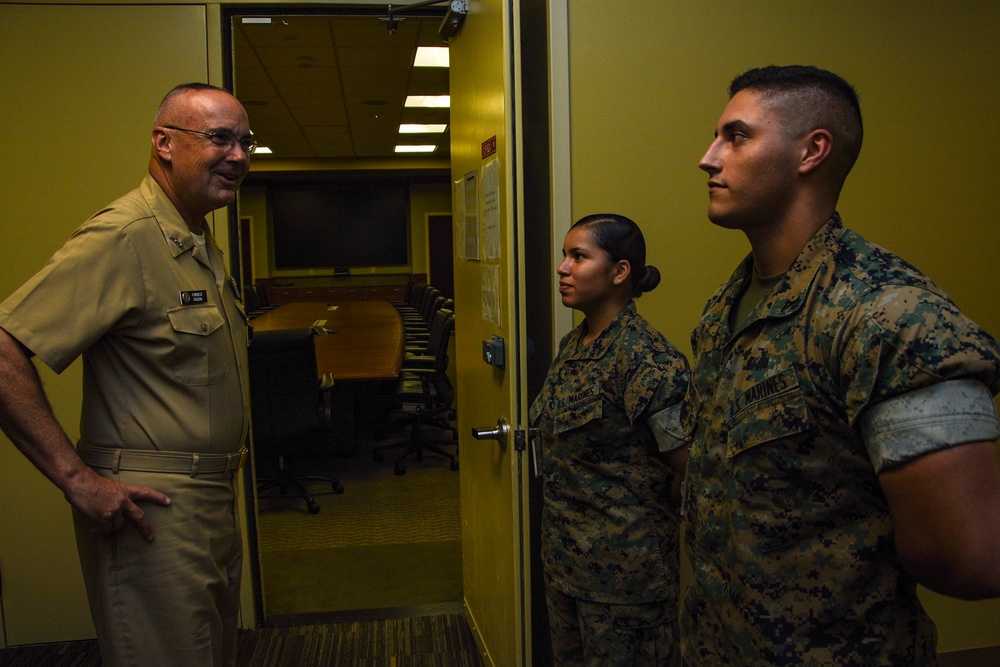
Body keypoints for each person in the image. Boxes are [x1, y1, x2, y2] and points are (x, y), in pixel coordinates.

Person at [680, 65, 1000, 665]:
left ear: (812, 151)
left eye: (737, 136)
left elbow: (968, 555)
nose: (708, 157)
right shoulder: (731, 305)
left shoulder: (890, 317)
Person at [0, 83, 255, 666]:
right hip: (153, 508)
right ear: (164, 143)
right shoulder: (125, 234)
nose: (238, 156)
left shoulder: (194, 239)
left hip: (212, 499)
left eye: (246, 142)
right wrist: (77, 479)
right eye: (220, 138)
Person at [529, 214, 690, 666]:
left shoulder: (647, 358)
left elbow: (690, 468)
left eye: (579, 256)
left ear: (620, 271)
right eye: (564, 255)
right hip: (566, 565)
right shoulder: (575, 344)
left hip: (625, 585)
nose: (563, 267)